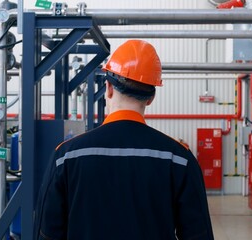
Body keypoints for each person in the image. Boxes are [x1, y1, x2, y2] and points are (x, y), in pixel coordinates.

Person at [34, 40, 214, 240]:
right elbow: (199, 235)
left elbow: (46, 234)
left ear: (108, 88)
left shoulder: (66, 156)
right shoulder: (179, 159)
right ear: (151, 97)